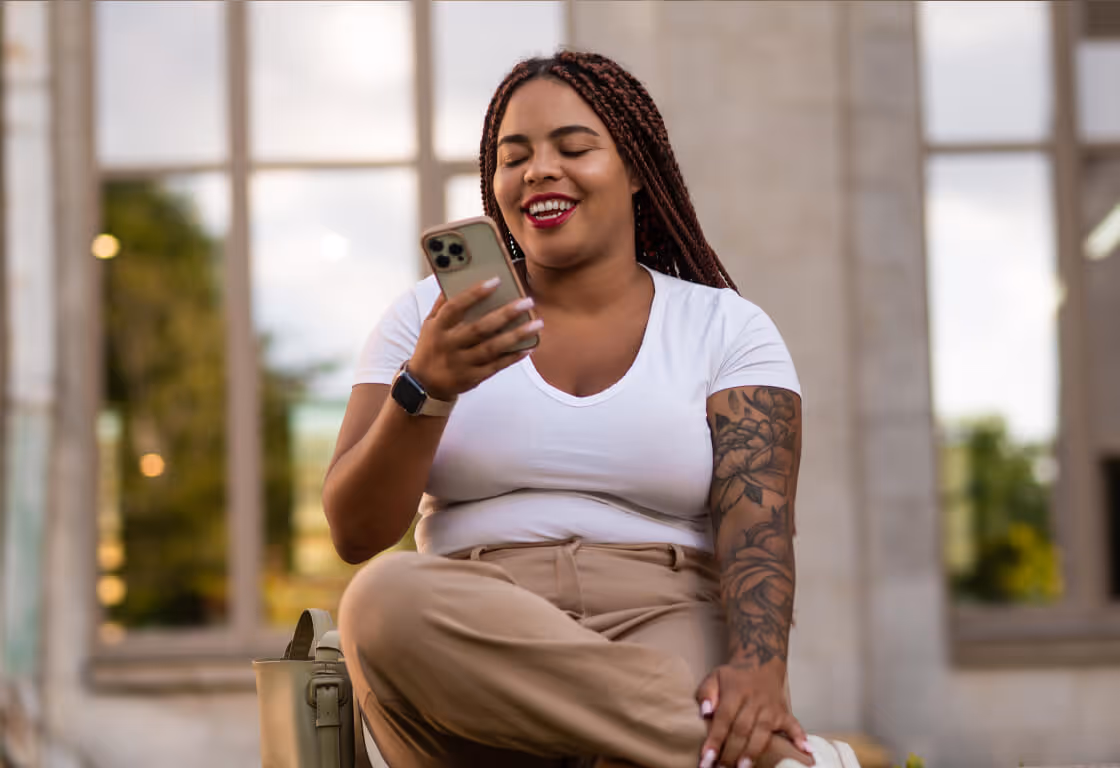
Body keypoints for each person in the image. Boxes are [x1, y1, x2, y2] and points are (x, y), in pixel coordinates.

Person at [325, 50, 829, 768]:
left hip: (662, 610)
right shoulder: (424, 319)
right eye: (514, 156)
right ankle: (744, 758)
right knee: (380, 600)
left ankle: (684, 738)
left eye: (573, 147)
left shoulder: (725, 328)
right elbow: (354, 531)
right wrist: (426, 388)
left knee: (679, 698)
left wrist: (759, 671)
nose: (537, 171)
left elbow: (760, 526)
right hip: (475, 634)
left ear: (635, 171)